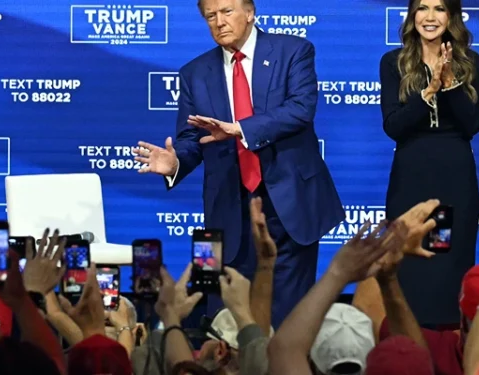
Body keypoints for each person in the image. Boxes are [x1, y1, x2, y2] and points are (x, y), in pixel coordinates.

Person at [133, 0, 343, 326]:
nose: (219, 22)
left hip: (290, 207)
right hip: (230, 210)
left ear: (250, 12)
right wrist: (175, 163)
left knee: (288, 323)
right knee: (229, 327)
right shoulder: (194, 73)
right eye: (210, 16)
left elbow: (301, 109)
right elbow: (192, 140)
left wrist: (241, 129)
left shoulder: (294, 51)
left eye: (227, 11)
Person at [378, 0, 479, 325]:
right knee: (409, 263)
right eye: (422, 8)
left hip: (455, 175)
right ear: (412, 15)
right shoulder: (393, 62)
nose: (430, 16)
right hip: (411, 174)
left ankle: (449, 346)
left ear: (450, 16)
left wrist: (450, 84)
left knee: (449, 264)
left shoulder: (469, 62)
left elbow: (472, 125)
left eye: (439, 8)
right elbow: (393, 126)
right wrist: (429, 92)